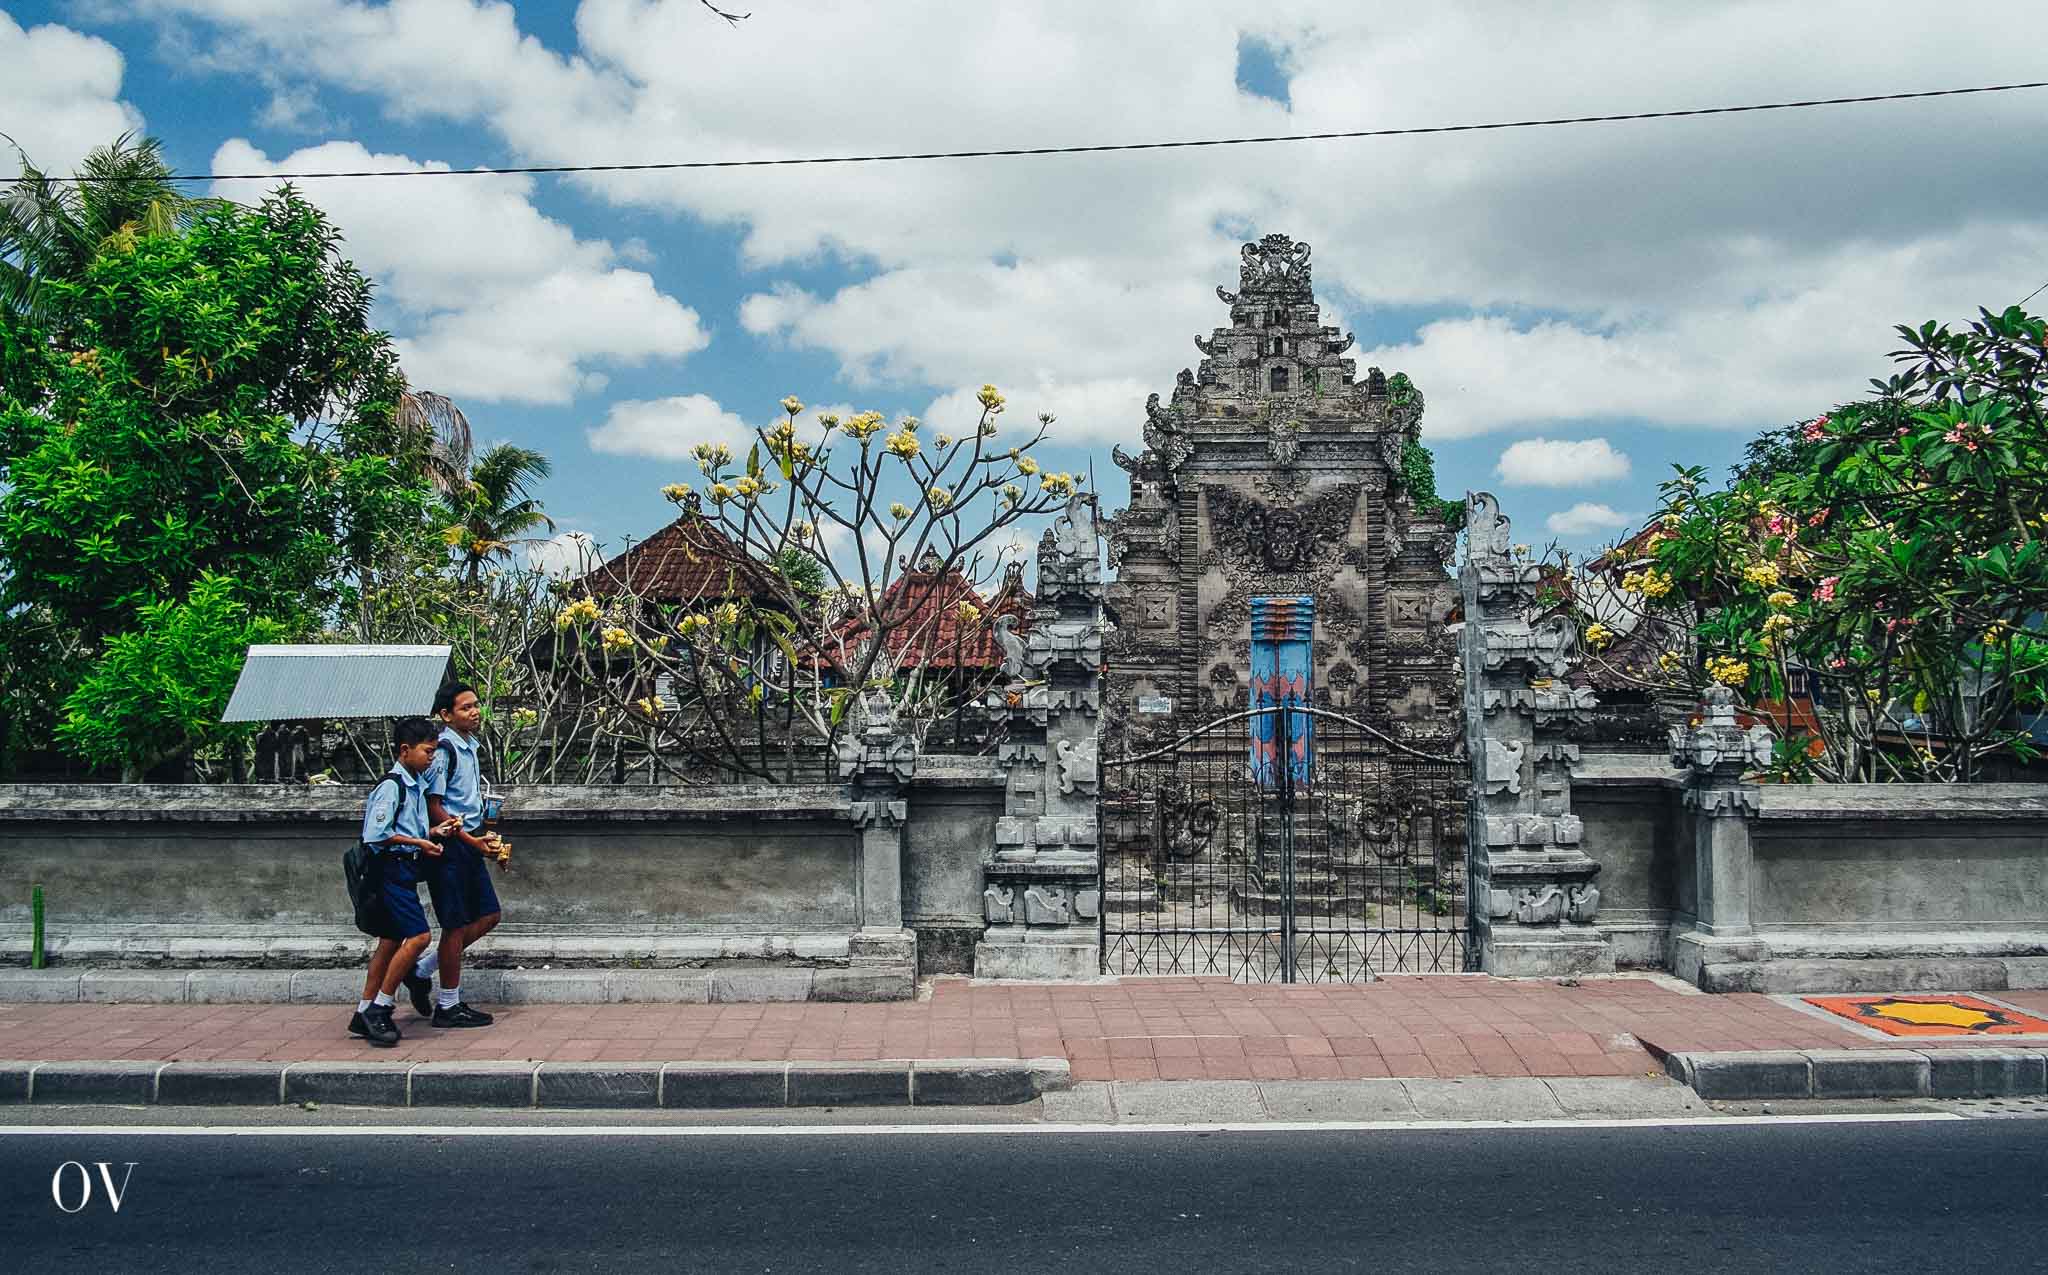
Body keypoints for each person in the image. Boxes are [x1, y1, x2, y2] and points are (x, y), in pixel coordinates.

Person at [352, 717, 460, 1048]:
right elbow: (377, 834)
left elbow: (407, 828)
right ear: (405, 750)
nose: (431, 759)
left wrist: (431, 833)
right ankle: (381, 1007)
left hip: (404, 869)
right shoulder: (392, 786)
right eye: (427, 751)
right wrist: (420, 844)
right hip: (391, 871)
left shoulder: (413, 785)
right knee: (419, 937)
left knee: (390, 941)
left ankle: (363, 1010)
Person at [408, 682, 501, 1028]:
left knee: (489, 915)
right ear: (446, 715)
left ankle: (422, 970)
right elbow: (434, 806)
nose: (475, 712)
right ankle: (448, 1004)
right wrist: (469, 840)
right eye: (465, 708)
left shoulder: (468, 748)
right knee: (455, 926)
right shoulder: (444, 751)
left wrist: (482, 831)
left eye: (476, 705)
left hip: (468, 840)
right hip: (450, 845)